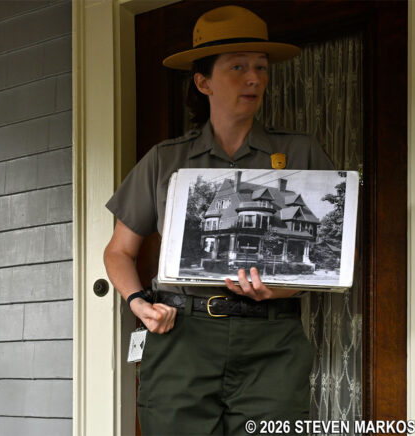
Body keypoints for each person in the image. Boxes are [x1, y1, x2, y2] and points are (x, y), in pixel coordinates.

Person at [103, 5, 335, 435]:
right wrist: (137, 303)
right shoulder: (165, 160)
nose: (255, 79)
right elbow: (118, 252)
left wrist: (287, 286)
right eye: (238, 67)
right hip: (181, 338)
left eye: (261, 67)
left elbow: (334, 256)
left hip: (272, 340)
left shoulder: (302, 154)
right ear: (203, 81)